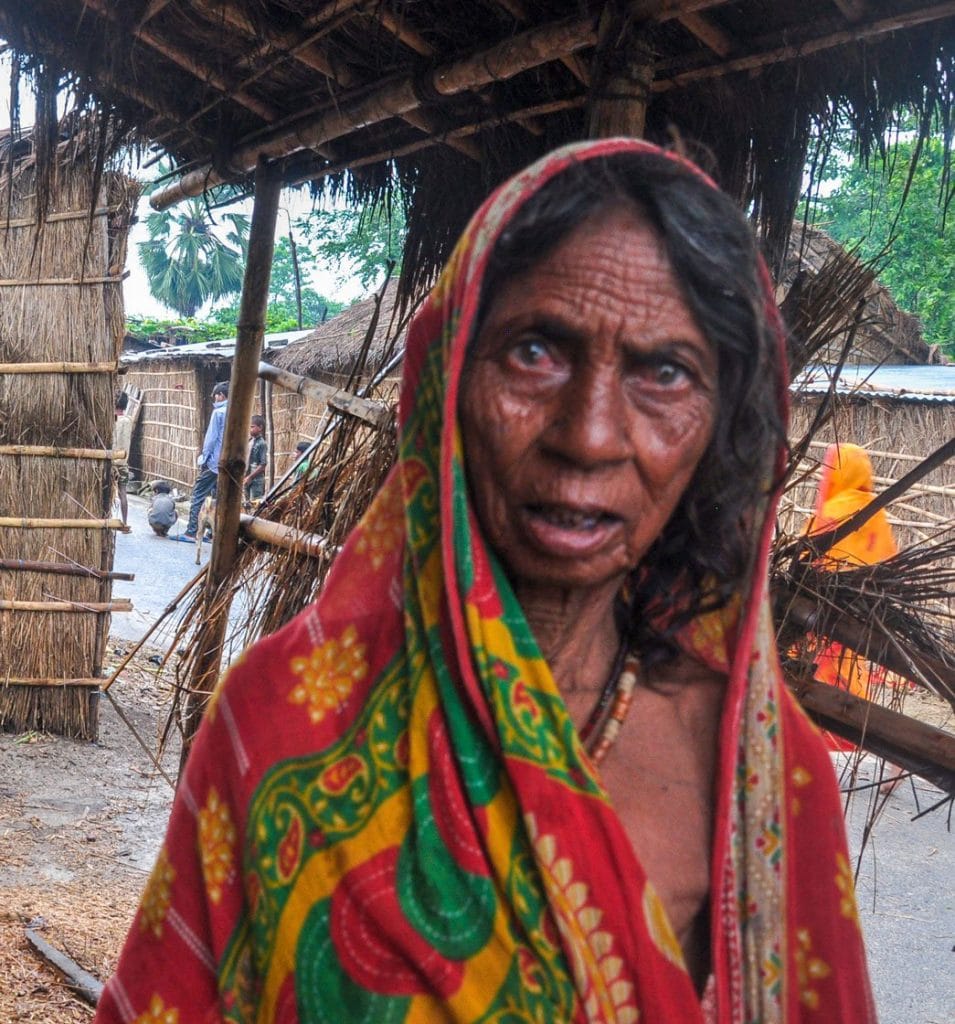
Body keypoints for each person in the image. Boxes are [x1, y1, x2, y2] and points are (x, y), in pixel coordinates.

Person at [95, 141, 875, 1023]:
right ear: (447, 382)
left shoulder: (767, 776)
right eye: (536, 352)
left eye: (664, 373)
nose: (588, 436)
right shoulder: (279, 725)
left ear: (718, 431)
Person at [802, 443, 900, 714]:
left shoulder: (832, 511)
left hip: (826, 607)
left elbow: (806, 558)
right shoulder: (875, 512)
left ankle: (829, 725)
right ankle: (851, 718)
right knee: (852, 664)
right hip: (865, 610)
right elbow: (887, 558)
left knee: (823, 666)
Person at [182, 381, 228, 540]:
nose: (214, 399)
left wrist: (204, 458)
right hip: (228, 464)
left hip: (214, 462)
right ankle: (212, 532)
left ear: (221, 395)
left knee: (198, 495)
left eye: (215, 395)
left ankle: (192, 531)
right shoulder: (236, 411)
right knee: (218, 498)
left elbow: (211, 439)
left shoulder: (219, 413)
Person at [112, 391, 132, 529]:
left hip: (110, 462)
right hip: (123, 463)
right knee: (122, 492)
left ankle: (106, 518)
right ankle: (125, 522)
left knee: (107, 493)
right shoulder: (128, 421)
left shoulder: (111, 420)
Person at [244, 415, 268, 501]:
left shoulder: (262, 444)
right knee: (246, 504)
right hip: (246, 477)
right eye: (250, 427)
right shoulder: (250, 441)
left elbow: (263, 465)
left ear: (260, 428)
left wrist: (250, 477)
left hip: (256, 481)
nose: (250, 429)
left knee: (255, 503)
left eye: (252, 427)